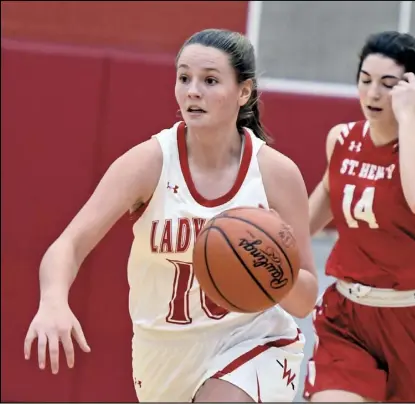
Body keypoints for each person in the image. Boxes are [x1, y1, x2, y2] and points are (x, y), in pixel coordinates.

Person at [23, 29, 319, 402]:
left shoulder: (276, 174)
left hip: (252, 340)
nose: (193, 91)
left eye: (210, 80)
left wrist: (266, 266)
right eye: (184, 77)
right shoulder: (149, 162)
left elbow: (305, 299)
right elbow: (70, 243)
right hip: (163, 354)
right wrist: (53, 302)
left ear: (244, 92)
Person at [303, 31, 415, 403]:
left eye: (388, 84)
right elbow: (306, 224)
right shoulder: (342, 139)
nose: (373, 93)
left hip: (414, 322)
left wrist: (409, 118)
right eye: (365, 81)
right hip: (346, 319)